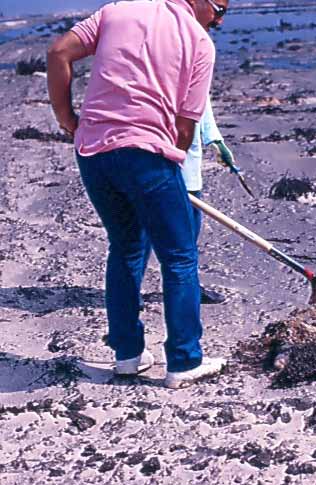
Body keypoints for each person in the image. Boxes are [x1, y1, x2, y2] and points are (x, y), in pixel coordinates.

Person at [46, 0, 230, 389]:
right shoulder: (200, 43)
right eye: (219, 8)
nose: (219, 19)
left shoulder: (117, 11)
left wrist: (68, 120)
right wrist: (170, 175)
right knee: (179, 256)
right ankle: (183, 361)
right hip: (147, 156)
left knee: (126, 248)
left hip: (93, 154)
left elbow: (59, 52)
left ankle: (127, 355)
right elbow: (184, 130)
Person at [142, 95, 234, 306]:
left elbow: (202, 101)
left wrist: (215, 140)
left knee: (189, 233)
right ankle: (129, 290)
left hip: (188, 166)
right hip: (151, 158)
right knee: (142, 232)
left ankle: (188, 287)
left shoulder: (194, 65)